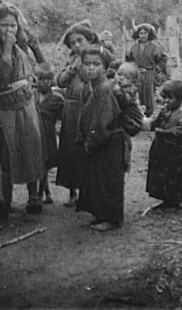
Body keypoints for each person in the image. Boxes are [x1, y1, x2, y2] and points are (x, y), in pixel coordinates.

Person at [0, 3, 45, 217]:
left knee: (32, 147)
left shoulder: (19, 47)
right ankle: (4, 202)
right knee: (8, 151)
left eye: (13, 26)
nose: (9, 30)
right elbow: (3, 74)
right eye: (4, 25)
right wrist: (7, 48)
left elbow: (38, 67)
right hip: (6, 106)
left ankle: (34, 196)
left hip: (26, 103)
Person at [76, 46, 126, 232]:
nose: (91, 68)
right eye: (87, 64)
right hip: (100, 140)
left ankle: (112, 218)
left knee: (108, 179)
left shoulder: (105, 88)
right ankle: (102, 213)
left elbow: (103, 120)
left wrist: (93, 141)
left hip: (108, 140)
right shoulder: (93, 87)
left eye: (96, 64)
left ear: (105, 67)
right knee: (98, 178)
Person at [56, 20, 100, 207]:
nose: (76, 45)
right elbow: (60, 81)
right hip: (71, 108)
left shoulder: (97, 56)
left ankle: (87, 191)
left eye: (79, 40)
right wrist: (70, 69)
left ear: (89, 39)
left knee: (85, 147)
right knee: (69, 148)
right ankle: (72, 191)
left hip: (88, 106)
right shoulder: (72, 59)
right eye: (72, 43)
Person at [146, 80, 182, 208]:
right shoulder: (165, 111)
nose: (166, 101)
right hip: (160, 149)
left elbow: (181, 131)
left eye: (170, 98)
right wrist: (160, 117)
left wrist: (164, 132)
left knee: (172, 174)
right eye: (164, 97)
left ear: (180, 99)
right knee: (160, 174)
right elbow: (153, 125)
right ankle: (165, 198)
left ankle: (173, 201)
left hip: (172, 151)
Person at [35, 62, 65, 205]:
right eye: (41, 79)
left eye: (48, 79)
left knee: (45, 164)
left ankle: (42, 192)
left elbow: (63, 118)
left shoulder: (57, 99)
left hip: (48, 135)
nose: (45, 83)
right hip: (34, 134)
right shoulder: (31, 97)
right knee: (37, 163)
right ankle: (45, 191)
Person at [125, 23, 167, 117]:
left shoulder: (154, 47)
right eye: (141, 33)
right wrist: (131, 68)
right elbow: (128, 59)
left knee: (149, 94)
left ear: (149, 34)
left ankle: (149, 115)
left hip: (149, 73)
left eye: (145, 33)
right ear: (137, 34)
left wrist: (157, 70)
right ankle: (137, 114)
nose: (143, 35)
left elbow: (163, 59)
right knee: (136, 93)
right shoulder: (133, 47)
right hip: (137, 74)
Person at [112, 62, 144, 172]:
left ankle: (124, 167)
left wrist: (117, 91)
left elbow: (125, 101)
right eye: (119, 74)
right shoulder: (118, 86)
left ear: (133, 82)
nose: (121, 78)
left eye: (126, 77)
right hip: (126, 119)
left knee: (125, 143)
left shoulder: (130, 90)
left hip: (133, 121)